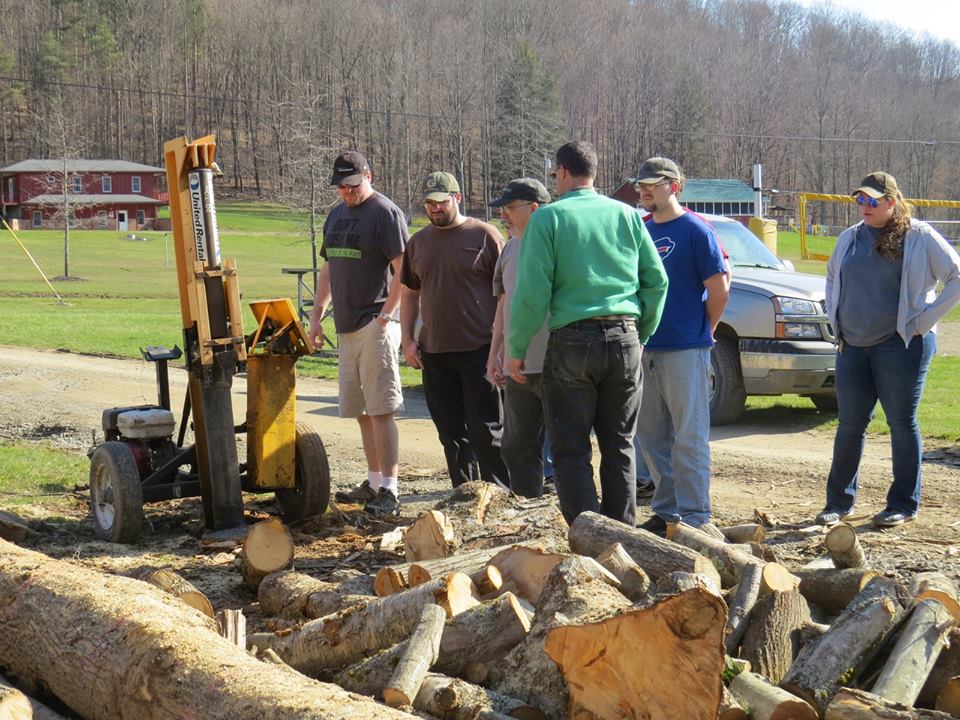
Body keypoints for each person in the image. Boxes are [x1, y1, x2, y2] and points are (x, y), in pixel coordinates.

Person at [507, 141, 668, 526]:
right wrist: (643, 332)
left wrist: (517, 348)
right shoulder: (627, 215)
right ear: (593, 172)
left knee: (571, 448)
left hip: (573, 340)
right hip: (625, 334)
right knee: (620, 445)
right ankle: (622, 535)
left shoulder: (548, 218)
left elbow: (531, 295)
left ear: (562, 171)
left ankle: (587, 534)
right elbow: (657, 281)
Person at [816, 171, 960, 528]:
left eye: (872, 201)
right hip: (852, 345)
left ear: (892, 202)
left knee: (900, 423)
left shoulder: (918, 237)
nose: (864, 206)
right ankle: (838, 502)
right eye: (860, 200)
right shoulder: (850, 237)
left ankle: (902, 504)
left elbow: (956, 276)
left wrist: (923, 322)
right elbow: (832, 277)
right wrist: (836, 319)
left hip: (901, 345)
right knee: (850, 424)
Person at [307, 150, 407, 516]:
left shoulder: (385, 213)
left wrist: (386, 315)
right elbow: (329, 269)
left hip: (375, 324)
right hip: (345, 326)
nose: (347, 192)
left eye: (353, 185)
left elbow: (404, 269)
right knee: (362, 411)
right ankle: (373, 481)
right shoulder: (335, 215)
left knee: (382, 410)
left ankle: (391, 490)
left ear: (369, 176)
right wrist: (317, 315)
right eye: (342, 187)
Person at [633, 157, 729, 536]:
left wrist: (704, 330)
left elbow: (719, 289)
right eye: (641, 185)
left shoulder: (696, 230)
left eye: (651, 185)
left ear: (673, 186)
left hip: (686, 348)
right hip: (646, 347)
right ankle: (667, 512)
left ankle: (695, 515)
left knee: (689, 436)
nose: (644, 191)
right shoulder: (641, 230)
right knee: (650, 437)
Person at [400, 171, 510, 488]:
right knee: (451, 433)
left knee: (486, 431)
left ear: (457, 198)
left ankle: (499, 496)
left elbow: (507, 293)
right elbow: (409, 293)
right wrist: (408, 340)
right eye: (429, 203)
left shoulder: (485, 235)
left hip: (480, 350)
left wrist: (502, 348)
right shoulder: (418, 243)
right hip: (434, 352)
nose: (435, 208)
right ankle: (463, 494)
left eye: (441, 202)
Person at [486, 178, 552, 497]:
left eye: (510, 208)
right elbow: (503, 304)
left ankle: (577, 513)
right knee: (516, 445)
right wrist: (494, 354)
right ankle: (529, 507)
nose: (504, 215)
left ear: (534, 208)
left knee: (566, 447)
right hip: (517, 366)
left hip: (556, 361)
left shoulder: (558, 244)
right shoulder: (510, 247)